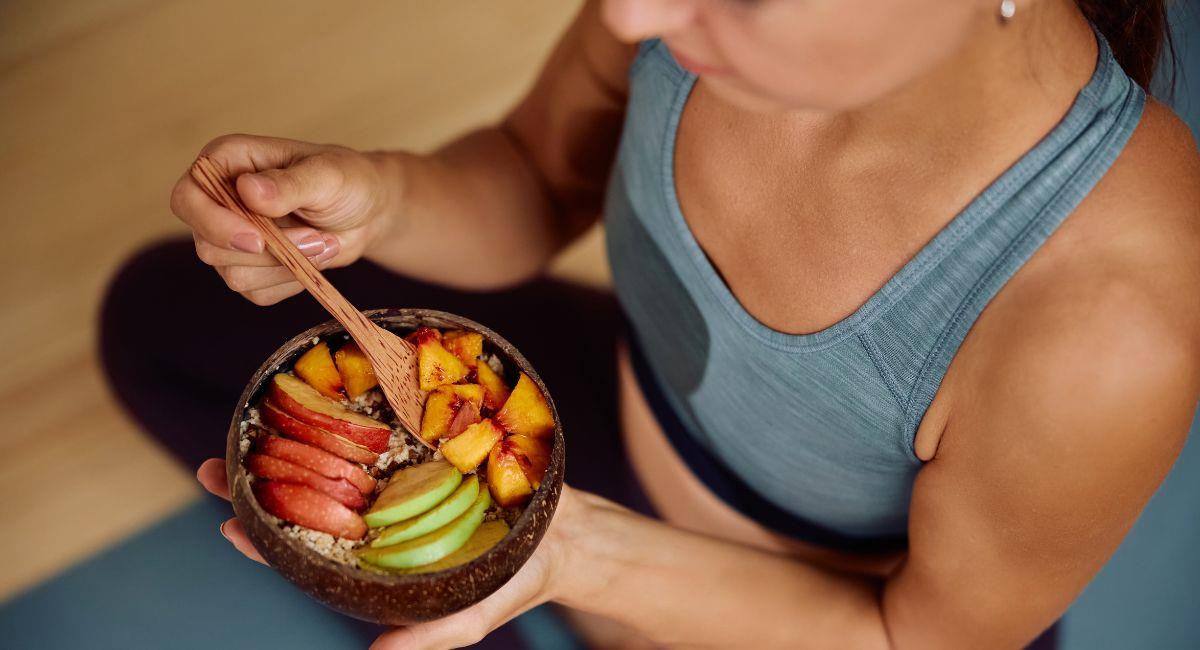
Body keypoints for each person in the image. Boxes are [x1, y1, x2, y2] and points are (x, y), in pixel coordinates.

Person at [102, 0, 1200, 647]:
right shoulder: (677, 17)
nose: (630, 18)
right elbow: (535, 175)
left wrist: (570, 550)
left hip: (831, 625)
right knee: (157, 312)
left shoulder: (1114, 313)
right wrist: (378, 198)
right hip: (617, 445)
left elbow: (916, 636)